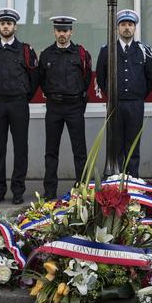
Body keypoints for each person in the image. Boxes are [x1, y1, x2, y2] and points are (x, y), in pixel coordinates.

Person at [0, 8, 39, 205]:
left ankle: (17, 190)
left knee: (20, 148)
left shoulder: (25, 51)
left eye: (9, 23)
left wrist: (23, 96)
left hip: (18, 104)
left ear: (15, 26)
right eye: (2, 23)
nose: (6, 26)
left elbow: (34, 78)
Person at [95, 9, 152, 178]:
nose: (127, 28)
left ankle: (133, 180)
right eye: (123, 24)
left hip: (135, 104)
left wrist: (139, 94)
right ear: (118, 28)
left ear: (135, 28)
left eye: (130, 24)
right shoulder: (107, 50)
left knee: (133, 144)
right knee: (115, 145)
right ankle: (116, 181)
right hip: (115, 104)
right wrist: (112, 95)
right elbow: (101, 77)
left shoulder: (144, 51)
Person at [38, 16, 92, 200]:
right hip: (53, 107)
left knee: (80, 150)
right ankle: (50, 191)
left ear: (71, 31)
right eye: (59, 30)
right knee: (51, 151)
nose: (62, 34)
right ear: (54, 31)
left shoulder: (81, 54)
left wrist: (77, 98)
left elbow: (86, 81)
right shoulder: (46, 54)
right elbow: (42, 81)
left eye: (66, 30)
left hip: (74, 106)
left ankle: (82, 188)